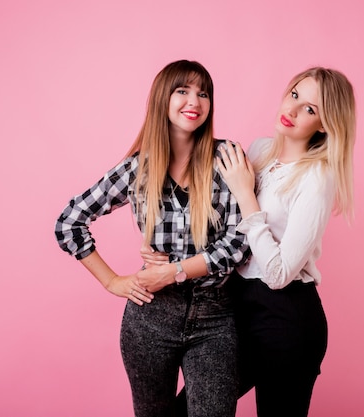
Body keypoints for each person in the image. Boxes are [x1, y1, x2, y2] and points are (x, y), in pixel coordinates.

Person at [145, 66, 356, 417]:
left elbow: (278, 274)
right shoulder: (258, 151)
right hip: (235, 306)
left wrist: (246, 193)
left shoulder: (317, 178)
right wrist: (160, 244)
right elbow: (216, 218)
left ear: (325, 124)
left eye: (310, 109)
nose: (291, 111)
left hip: (286, 317)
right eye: (294, 96)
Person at [54, 60, 250, 417]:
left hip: (215, 319)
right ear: (163, 98)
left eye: (203, 93)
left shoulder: (228, 158)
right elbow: (69, 223)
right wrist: (112, 281)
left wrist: (174, 270)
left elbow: (239, 243)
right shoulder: (137, 169)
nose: (195, 101)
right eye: (183, 91)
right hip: (150, 318)